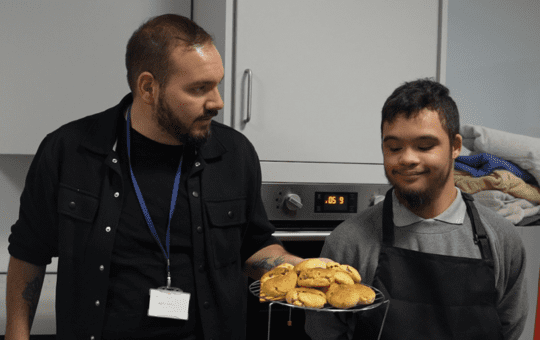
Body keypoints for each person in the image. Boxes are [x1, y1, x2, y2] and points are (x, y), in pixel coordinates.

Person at [6, 14, 309, 340]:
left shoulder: (234, 154)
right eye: (199, 89)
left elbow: (254, 247)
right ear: (148, 87)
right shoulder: (69, 151)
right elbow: (28, 253)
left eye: (217, 84)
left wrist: (307, 272)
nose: (217, 102)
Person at [305, 79, 528, 340]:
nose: (408, 158)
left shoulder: (501, 238)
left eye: (425, 146)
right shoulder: (349, 242)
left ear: (455, 147)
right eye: (394, 147)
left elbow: (509, 329)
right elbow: (324, 334)